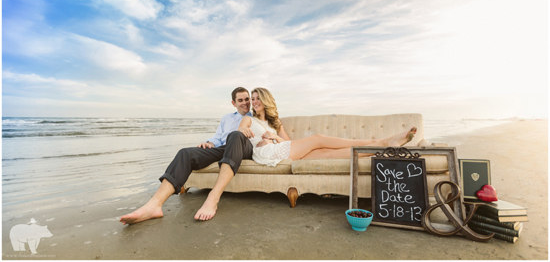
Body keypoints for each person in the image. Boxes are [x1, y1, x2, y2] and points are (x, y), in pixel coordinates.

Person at [120, 87, 254, 224]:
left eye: (247, 99)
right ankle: (154, 205)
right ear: (234, 103)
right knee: (186, 153)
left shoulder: (255, 116)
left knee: (236, 135)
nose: (245, 103)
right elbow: (218, 138)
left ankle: (212, 200)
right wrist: (208, 143)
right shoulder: (227, 118)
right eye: (240, 100)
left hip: (244, 149)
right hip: (224, 149)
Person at [238, 88, 417, 166]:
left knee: (327, 153)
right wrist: (249, 133)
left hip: (281, 150)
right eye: (252, 99)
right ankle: (381, 140)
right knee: (318, 139)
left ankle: (379, 147)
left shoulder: (275, 122)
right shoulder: (248, 119)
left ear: (266, 100)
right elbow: (239, 134)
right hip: (264, 153)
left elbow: (289, 142)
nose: (254, 102)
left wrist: (275, 136)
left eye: (257, 98)